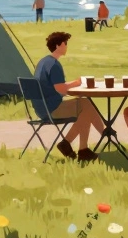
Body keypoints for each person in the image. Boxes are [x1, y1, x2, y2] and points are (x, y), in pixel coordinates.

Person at [33, 31, 103, 162]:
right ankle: (100, 136)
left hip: (41, 108)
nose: (66, 46)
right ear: (58, 45)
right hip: (52, 109)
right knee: (86, 104)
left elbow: (56, 86)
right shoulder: (54, 65)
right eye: (65, 43)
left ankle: (82, 147)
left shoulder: (44, 62)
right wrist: (77, 83)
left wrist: (72, 85)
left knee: (85, 109)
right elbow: (61, 89)